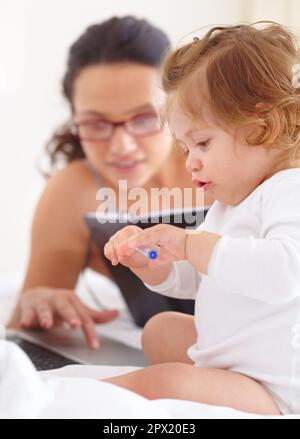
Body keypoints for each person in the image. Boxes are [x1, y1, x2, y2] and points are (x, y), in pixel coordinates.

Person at [103, 22, 300, 415]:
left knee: (165, 382)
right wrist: (152, 263)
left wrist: (187, 243)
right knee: (160, 329)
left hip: (277, 385)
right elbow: (197, 276)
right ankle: (208, 379)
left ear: (263, 127)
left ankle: (61, 394)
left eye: (203, 142)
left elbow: (285, 272)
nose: (190, 161)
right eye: (184, 147)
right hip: (237, 362)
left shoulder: (289, 189)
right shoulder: (229, 202)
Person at [8, 16, 211, 349]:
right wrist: (38, 304)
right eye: (96, 124)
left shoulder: (225, 163)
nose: (122, 147)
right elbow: (25, 330)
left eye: (144, 118)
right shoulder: (74, 193)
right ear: (74, 119)